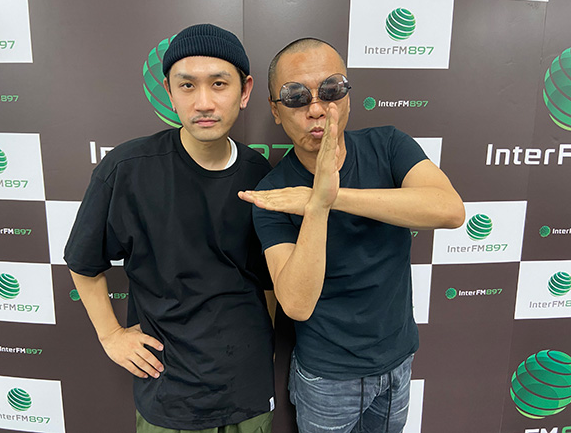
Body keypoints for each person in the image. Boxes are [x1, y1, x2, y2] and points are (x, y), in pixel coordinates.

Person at [238, 38, 465, 433]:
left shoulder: (388, 145)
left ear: (347, 96)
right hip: (327, 378)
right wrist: (316, 209)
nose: (315, 108)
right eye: (295, 96)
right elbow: (296, 304)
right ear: (275, 110)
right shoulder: (275, 194)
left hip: (398, 362)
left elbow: (450, 210)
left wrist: (331, 196)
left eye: (331, 89)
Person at [64, 24, 275, 433]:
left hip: (248, 390)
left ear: (245, 90)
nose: (204, 102)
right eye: (187, 85)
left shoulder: (258, 172)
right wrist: (110, 335)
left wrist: (265, 346)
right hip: (170, 394)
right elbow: (83, 262)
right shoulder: (127, 170)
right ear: (169, 92)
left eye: (219, 84)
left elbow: (266, 281)